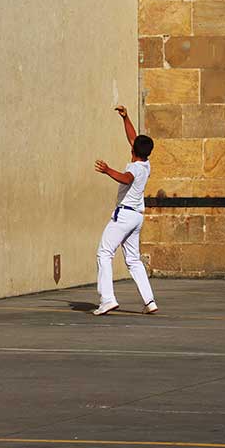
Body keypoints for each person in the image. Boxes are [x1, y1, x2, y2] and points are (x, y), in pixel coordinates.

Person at [93, 105, 157, 316]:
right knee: (133, 260)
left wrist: (107, 170)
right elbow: (133, 137)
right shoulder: (146, 164)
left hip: (125, 215)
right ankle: (149, 301)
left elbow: (126, 178)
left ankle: (107, 299)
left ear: (133, 151)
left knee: (104, 252)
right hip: (137, 217)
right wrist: (125, 117)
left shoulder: (134, 168)